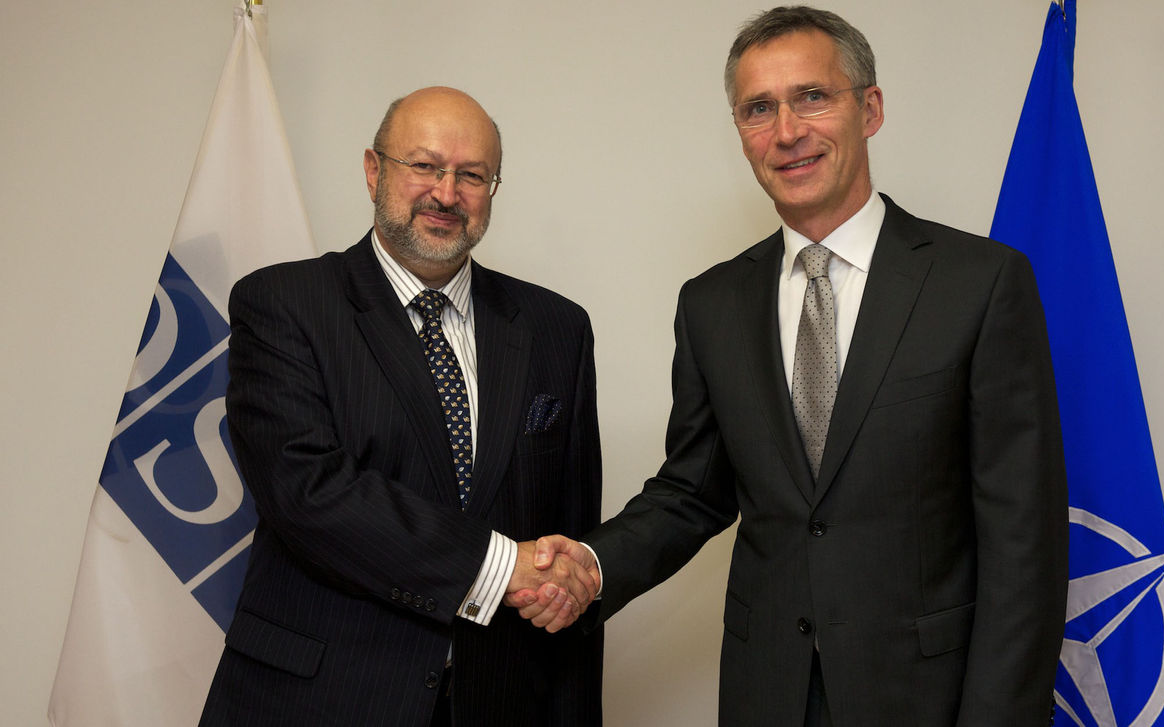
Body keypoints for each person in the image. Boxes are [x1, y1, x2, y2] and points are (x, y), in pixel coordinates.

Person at [517, 7, 1068, 726]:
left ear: (869, 108)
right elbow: (692, 491)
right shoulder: (712, 303)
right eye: (758, 109)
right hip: (766, 691)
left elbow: (1024, 541)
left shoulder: (982, 283)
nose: (786, 131)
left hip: (929, 696)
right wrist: (592, 564)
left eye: (812, 96)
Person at [200, 87, 603, 727]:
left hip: (500, 701)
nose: (446, 193)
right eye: (424, 165)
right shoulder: (283, 303)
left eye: (472, 175)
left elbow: (569, 540)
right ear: (373, 171)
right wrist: (500, 565)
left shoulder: (556, 327)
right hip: (316, 701)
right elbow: (306, 491)